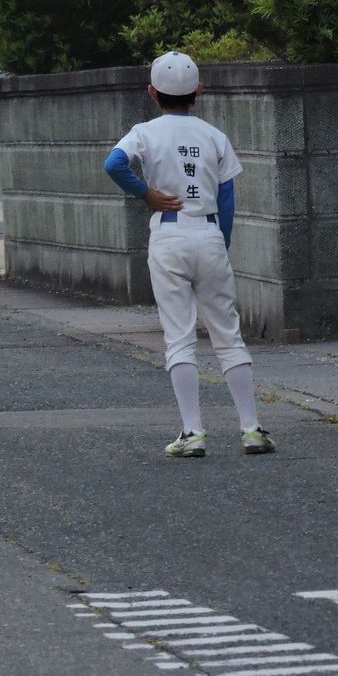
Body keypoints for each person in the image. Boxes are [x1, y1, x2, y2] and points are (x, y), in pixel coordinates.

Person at [103, 51, 275, 457]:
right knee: (227, 335)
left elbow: (114, 164)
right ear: (199, 91)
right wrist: (221, 245)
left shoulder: (144, 132)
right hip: (209, 234)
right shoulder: (215, 135)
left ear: (151, 92)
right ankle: (251, 428)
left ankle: (192, 433)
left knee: (178, 336)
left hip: (169, 236)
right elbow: (228, 199)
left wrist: (146, 194)